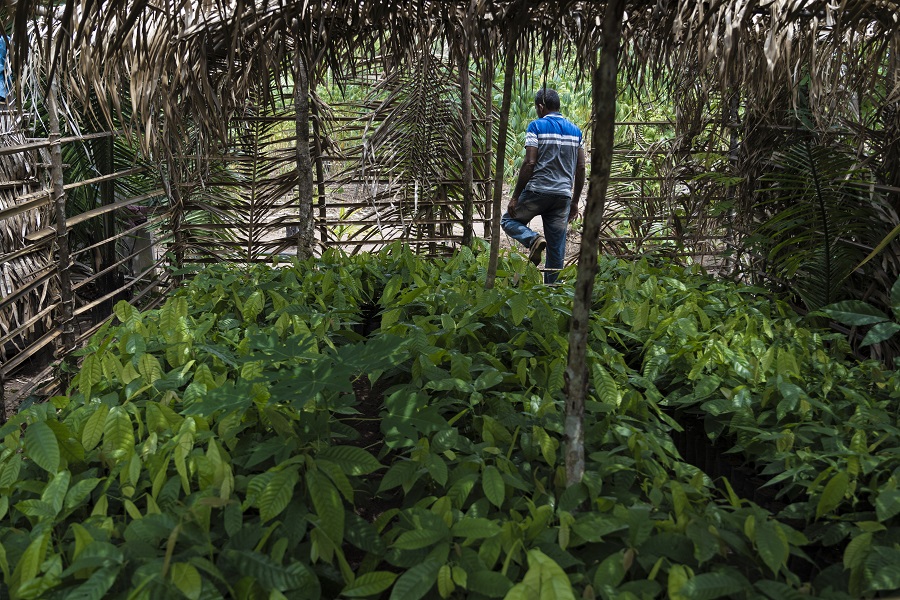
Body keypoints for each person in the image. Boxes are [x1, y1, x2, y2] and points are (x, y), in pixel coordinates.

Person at [501, 87, 585, 284]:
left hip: (537, 192)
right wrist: (574, 201)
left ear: (540, 107)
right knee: (556, 249)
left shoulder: (536, 126)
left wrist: (515, 196)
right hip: (562, 196)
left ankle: (532, 240)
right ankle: (552, 292)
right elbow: (581, 167)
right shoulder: (576, 131)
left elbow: (530, 162)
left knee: (508, 221)